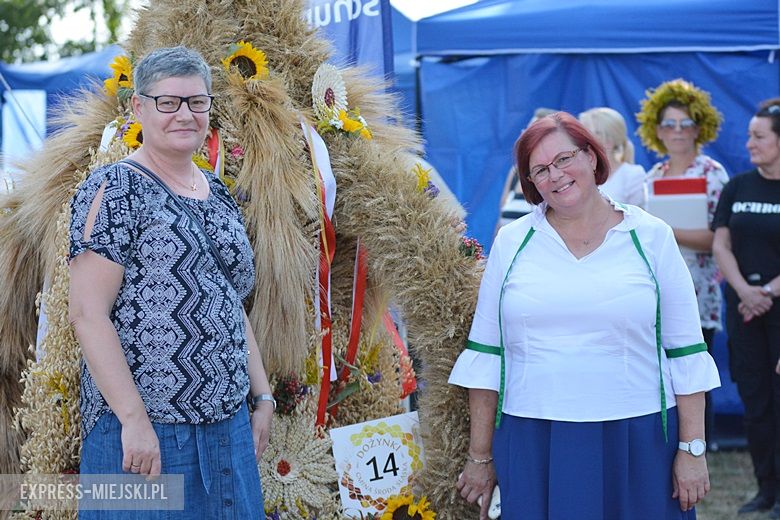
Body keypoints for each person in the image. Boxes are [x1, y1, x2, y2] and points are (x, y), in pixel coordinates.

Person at [451, 112, 720, 520]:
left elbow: (686, 351)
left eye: (563, 159)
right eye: (539, 169)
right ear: (530, 184)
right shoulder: (512, 241)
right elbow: (487, 355)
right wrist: (480, 456)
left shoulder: (651, 236)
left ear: (593, 157)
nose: (555, 175)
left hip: (639, 436)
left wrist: (692, 448)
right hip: (533, 436)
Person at [68, 46, 272, 518]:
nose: (185, 114)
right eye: (168, 102)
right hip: (150, 441)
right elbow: (87, 314)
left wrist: (261, 397)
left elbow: (229, 300)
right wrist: (134, 422)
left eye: (197, 102)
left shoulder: (217, 192)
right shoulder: (115, 189)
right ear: (139, 107)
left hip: (228, 434)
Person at [637, 79, 730, 449]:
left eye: (685, 123)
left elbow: (718, 237)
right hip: (657, 290)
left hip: (699, 290)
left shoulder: (712, 173)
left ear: (699, 127)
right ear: (657, 131)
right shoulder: (653, 177)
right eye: (669, 124)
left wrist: (667, 231)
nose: (677, 132)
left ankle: (697, 445)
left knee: (694, 369)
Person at [712, 99, 780, 517]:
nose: (749, 142)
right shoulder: (737, 186)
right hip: (745, 314)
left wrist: (767, 293)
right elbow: (721, 243)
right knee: (756, 405)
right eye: (749, 135)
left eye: (758, 136)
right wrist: (743, 290)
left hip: (773, 310)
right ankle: (766, 490)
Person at [496, 108, 556, 230]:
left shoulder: (555, 177)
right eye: (526, 131)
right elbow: (500, 224)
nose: (525, 136)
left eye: (532, 132)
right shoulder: (515, 173)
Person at [579, 106, 646, 207]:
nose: (581, 140)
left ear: (609, 141)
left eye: (589, 135)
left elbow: (639, 217)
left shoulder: (632, 175)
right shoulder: (578, 174)